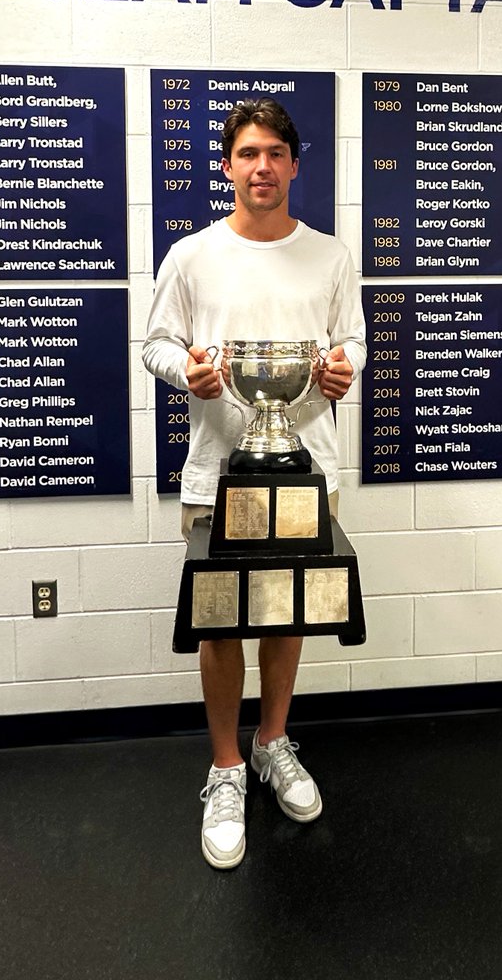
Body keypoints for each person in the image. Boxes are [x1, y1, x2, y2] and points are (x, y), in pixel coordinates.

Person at [142, 98, 366, 869]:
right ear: (228, 165)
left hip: (310, 468)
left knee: (285, 611)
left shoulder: (332, 256)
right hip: (216, 472)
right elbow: (157, 344)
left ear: (295, 165)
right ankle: (227, 767)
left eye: (276, 152)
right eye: (248, 153)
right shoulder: (192, 255)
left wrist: (342, 368)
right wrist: (191, 374)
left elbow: (353, 343)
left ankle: (274, 742)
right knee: (219, 622)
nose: (262, 166)